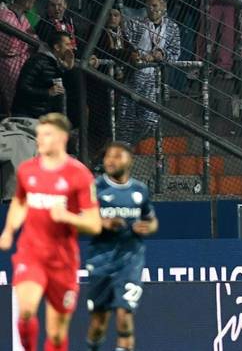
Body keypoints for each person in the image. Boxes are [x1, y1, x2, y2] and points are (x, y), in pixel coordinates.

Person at [1, 113, 100, 351]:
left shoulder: (79, 175)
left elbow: (94, 224)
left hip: (62, 260)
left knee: (56, 335)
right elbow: (19, 202)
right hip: (31, 254)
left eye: (46, 135)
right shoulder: (27, 171)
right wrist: (9, 230)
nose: (40, 140)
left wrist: (66, 216)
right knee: (25, 311)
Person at [84, 142, 157, 351]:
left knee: (124, 317)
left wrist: (148, 227)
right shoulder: (95, 188)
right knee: (99, 323)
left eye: (117, 156)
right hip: (101, 260)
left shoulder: (139, 190)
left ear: (130, 160)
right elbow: (79, 221)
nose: (111, 160)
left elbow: (151, 220)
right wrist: (102, 223)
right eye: (108, 157)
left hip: (130, 260)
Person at [120, 0, 180, 144]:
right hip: (134, 75)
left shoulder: (172, 27)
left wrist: (161, 55)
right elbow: (127, 44)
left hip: (154, 78)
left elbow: (175, 52)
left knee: (150, 121)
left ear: (164, 6)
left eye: (155, 6)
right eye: (149, 6)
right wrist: (137, 55)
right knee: (126, 119)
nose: (152, 9)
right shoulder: (135, 23)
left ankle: (130, 144)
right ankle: (122, 148)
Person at [12, 32, 75, 121]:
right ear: (57, 47)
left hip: (42, 117)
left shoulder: (58, 65)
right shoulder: (37, 61)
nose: (71, 48)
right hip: (25, 114)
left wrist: (68, 68)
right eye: (67, 45)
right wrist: (47, 92)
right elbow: (22, 87)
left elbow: (61, 93)